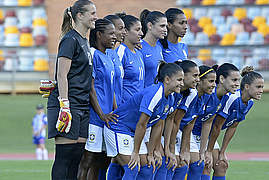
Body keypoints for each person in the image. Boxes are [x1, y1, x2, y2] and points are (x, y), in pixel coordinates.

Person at [104, 62, 184, 180]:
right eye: (179, 80)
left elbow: (158, 125)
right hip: (118, 127)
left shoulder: (170, 97)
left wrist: (151, 153)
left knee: (147, 168)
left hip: (132, 131)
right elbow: (142, 124)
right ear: (167, 79)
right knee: (132, 167)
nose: (182, 83)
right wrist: (135, 152)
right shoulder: (155, 94)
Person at [46, 1, 97, 179]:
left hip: (82, 105)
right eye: (91, 13)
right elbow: (61, 75)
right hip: (68, 105)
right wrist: (64, 106)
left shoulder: (83, 40)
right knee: (64, 157)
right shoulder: (70, 39)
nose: (95, 17)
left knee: (77, 157)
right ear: (79, 16)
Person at [205, 66, 264, 180]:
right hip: (203, 132)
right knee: (206, 164)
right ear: (246, 87)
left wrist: (222, 152)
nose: (261, 90)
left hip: (209, 135)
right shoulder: (232, 98)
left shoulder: (249, 103)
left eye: (262, 87)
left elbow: (233, 126)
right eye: (258, 87)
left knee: (221, 165)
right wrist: (208, 151)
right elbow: (217, 126)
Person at [77, 18, 118, 180]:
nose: (114, 37)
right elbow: (91, 87)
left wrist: (114, 111)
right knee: (87, 160)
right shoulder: (93, 54)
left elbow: (110, 88)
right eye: (111, 33)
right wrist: (101, 115)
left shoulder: (107, 55)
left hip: (107, 117)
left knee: (101, 161)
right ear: (99, 35)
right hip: (95, 117)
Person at [162, 60, 200, 180]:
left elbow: (185, 123)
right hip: (157, 129)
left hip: (172, 131)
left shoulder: (191, 93)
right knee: (167, 163)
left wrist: (184, 150)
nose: (198, 79)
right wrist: (170, 149)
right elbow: (171, 121)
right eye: (195, 76)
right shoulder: (170, 92)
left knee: (182, 164)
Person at [186, 65, 217, 180]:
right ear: (200, 81)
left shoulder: (205, 97)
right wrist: (184, 148)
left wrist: (203, 152)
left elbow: (203, 123)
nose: (214, 84)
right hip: (176, 131)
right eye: (211, 81)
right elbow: (178, 122)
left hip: (187, 132)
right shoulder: (191, 95)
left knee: (199, 163)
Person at [116, 14, 145, 104]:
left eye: (141, 29)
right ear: (126, 31)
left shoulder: (139, 53)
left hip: (137, 106)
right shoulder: (121, 52)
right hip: (125, 107)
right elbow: (115, 82)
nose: (141, 33)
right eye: (137, 30)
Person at [139, 9, 167, 88]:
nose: (165, 30)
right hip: (144, 97)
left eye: (166, 26)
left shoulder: (159, 48)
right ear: (150, 26)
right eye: (162, 26)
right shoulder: (139, 47)